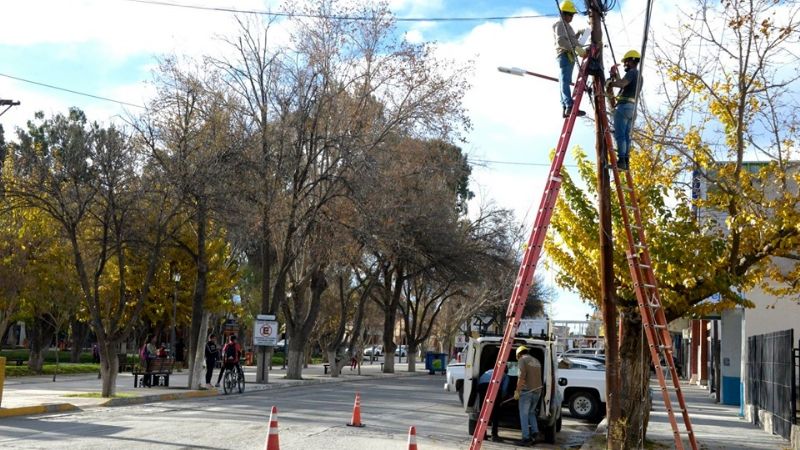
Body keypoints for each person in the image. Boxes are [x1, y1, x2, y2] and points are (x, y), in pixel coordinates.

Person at [605, 49, 641, 170]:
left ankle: (621, 161)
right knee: (626, 136)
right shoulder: (639, 75)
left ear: (631, 61)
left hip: (624, 106)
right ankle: (625, 161)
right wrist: (614, 76)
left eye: (626, 62)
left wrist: (610, 82)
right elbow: (625, 85)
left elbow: (622, 84)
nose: (625, 64)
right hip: (632, 109)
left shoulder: (632, 72)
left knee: (620, 135)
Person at [553, 0, 588, 119]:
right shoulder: (560, 24)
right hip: (565, 55)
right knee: (565, 80)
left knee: (564, 80)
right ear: (564, 13)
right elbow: (561, 41)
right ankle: (569, 106)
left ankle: (565, 107)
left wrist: (578, 34)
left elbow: (569, 40)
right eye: (570, 14)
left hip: (569, 55)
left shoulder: (567, 26)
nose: (572, 17)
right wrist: (576, 49)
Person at [514, 345, 543, 446]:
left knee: (524, 414)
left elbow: (521, 376)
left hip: (526, 391)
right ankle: (535, 433)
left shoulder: (522, 360)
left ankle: (526, 438)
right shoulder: (536, 361)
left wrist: (517, 390)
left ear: (519, 354)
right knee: (531, 413)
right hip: (538, 391)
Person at [477, 366, 511, 441]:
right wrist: (500, 399)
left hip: (481, 386)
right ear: (506, 371)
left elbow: (481, 380)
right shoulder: (505, 375)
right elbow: (504, 389)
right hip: (493, 386)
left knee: (483, 411)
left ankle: (482, 435)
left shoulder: (489, 370)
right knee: (495, 413)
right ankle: (494, 435)